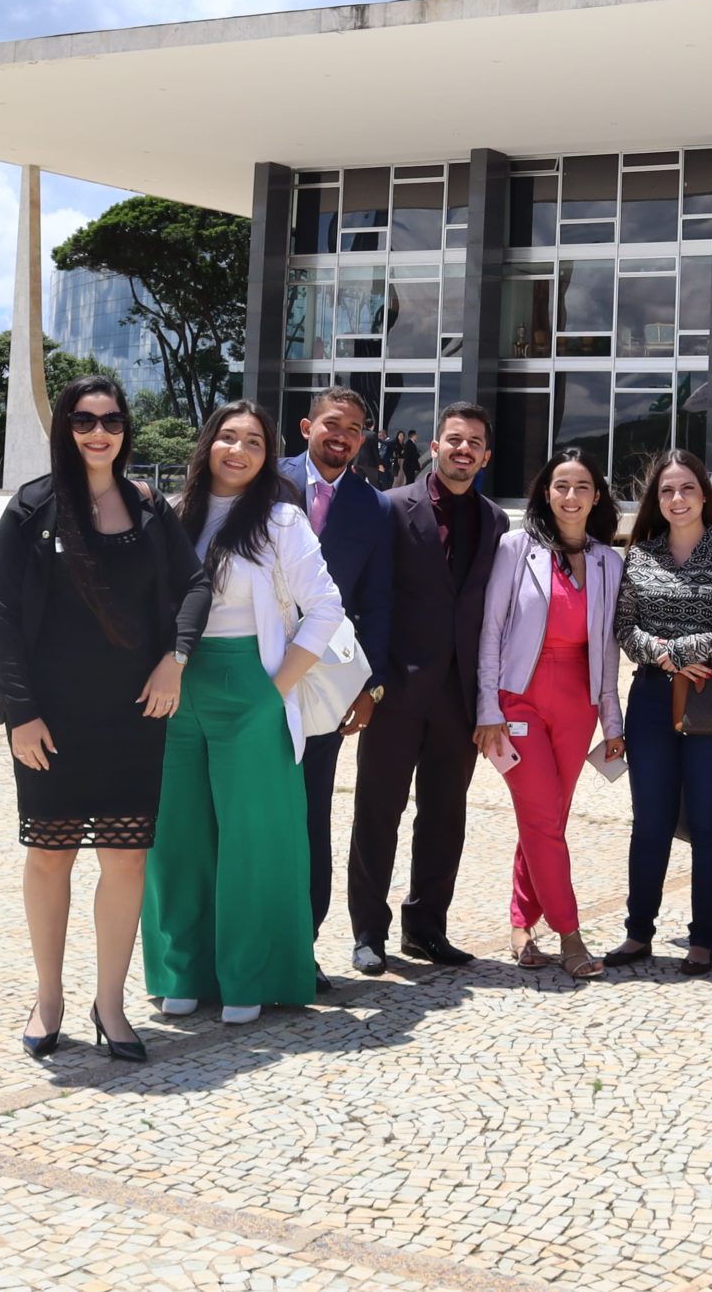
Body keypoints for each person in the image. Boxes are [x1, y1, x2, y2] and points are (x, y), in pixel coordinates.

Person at [0, 375, 210, 1063]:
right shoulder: (31, 509)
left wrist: (176, 657)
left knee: (125, 860)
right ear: (66, 427)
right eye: (83, 420)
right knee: (50, 857)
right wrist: (21, 712)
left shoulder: (148, 508)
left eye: (110, 419)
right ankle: (48, 997)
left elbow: (196, 583)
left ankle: (109, 1003)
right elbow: (4, 617)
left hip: (133, 715)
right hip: (49, 720)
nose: (98, 432)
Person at [143, 400, 344, 1023]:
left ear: (268, 455)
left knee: (253, 842)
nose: (238, 450)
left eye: (254, 441)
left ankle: (250, 975)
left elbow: (327, 609)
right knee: (177, 837)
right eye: (227, 437)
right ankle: (183, 970)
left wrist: (273, 690)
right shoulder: (174, 515)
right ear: (207, 445)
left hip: (251, 684)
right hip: (175, 684)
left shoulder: (282, 521)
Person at [348, 404, 506, 974]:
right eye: (454, 440)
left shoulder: (494, 521)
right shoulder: (391, 508)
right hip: (396, 689)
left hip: (457, 696)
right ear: (434, 447)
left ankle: (426, 926)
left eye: (475, 443)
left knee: (444, 816)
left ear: (486, 455)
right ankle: (369, 931)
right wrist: (370, 680)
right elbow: (368, 598)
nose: (463, 450)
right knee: (376, 812)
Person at [475, 448, 627, 979]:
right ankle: (569, 934)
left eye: (582, 486)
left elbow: (607, 649)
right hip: (519, 698)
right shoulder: (517, 547)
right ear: (545, 492)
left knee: (548, 820)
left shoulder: (612, 561)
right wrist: (488, 706)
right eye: (560, 485)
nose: (570, 496)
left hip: (578, 703)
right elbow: (492, 630)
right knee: (541, 816)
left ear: (597, 496)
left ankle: (522, 919)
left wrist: (613, 724)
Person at [609, 449, 712, 973]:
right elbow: (624, 629)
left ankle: (702, 938)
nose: (677, 499)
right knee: (649, 820)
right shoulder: (639, 555)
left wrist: (692, 651)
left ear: (705, 496)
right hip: (652, 697)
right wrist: (665, 655)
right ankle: (637, 932)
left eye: (687, 489)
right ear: (657, 498)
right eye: (668, 490)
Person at [279, 387, 393, 991]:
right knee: (243, 813)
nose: (342, 435)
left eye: (354, 427)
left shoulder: (373, 509)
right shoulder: (263, 483)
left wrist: (369, 688)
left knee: (308, 815)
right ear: (306, 426)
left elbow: (377, 605)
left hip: (322, 690)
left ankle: (302, 944)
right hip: (252, 674)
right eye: (331, 423)